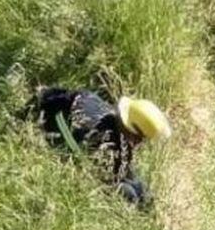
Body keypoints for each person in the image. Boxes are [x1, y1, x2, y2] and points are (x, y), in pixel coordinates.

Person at [24, 86, 172, 205]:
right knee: (129, 194)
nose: (140, 143)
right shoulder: (96, 134)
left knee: (143, 192)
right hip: (48, 118)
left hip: (60, 104)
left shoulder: (112, 120)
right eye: (140, 139)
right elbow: (94, 174)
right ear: (131, 130)